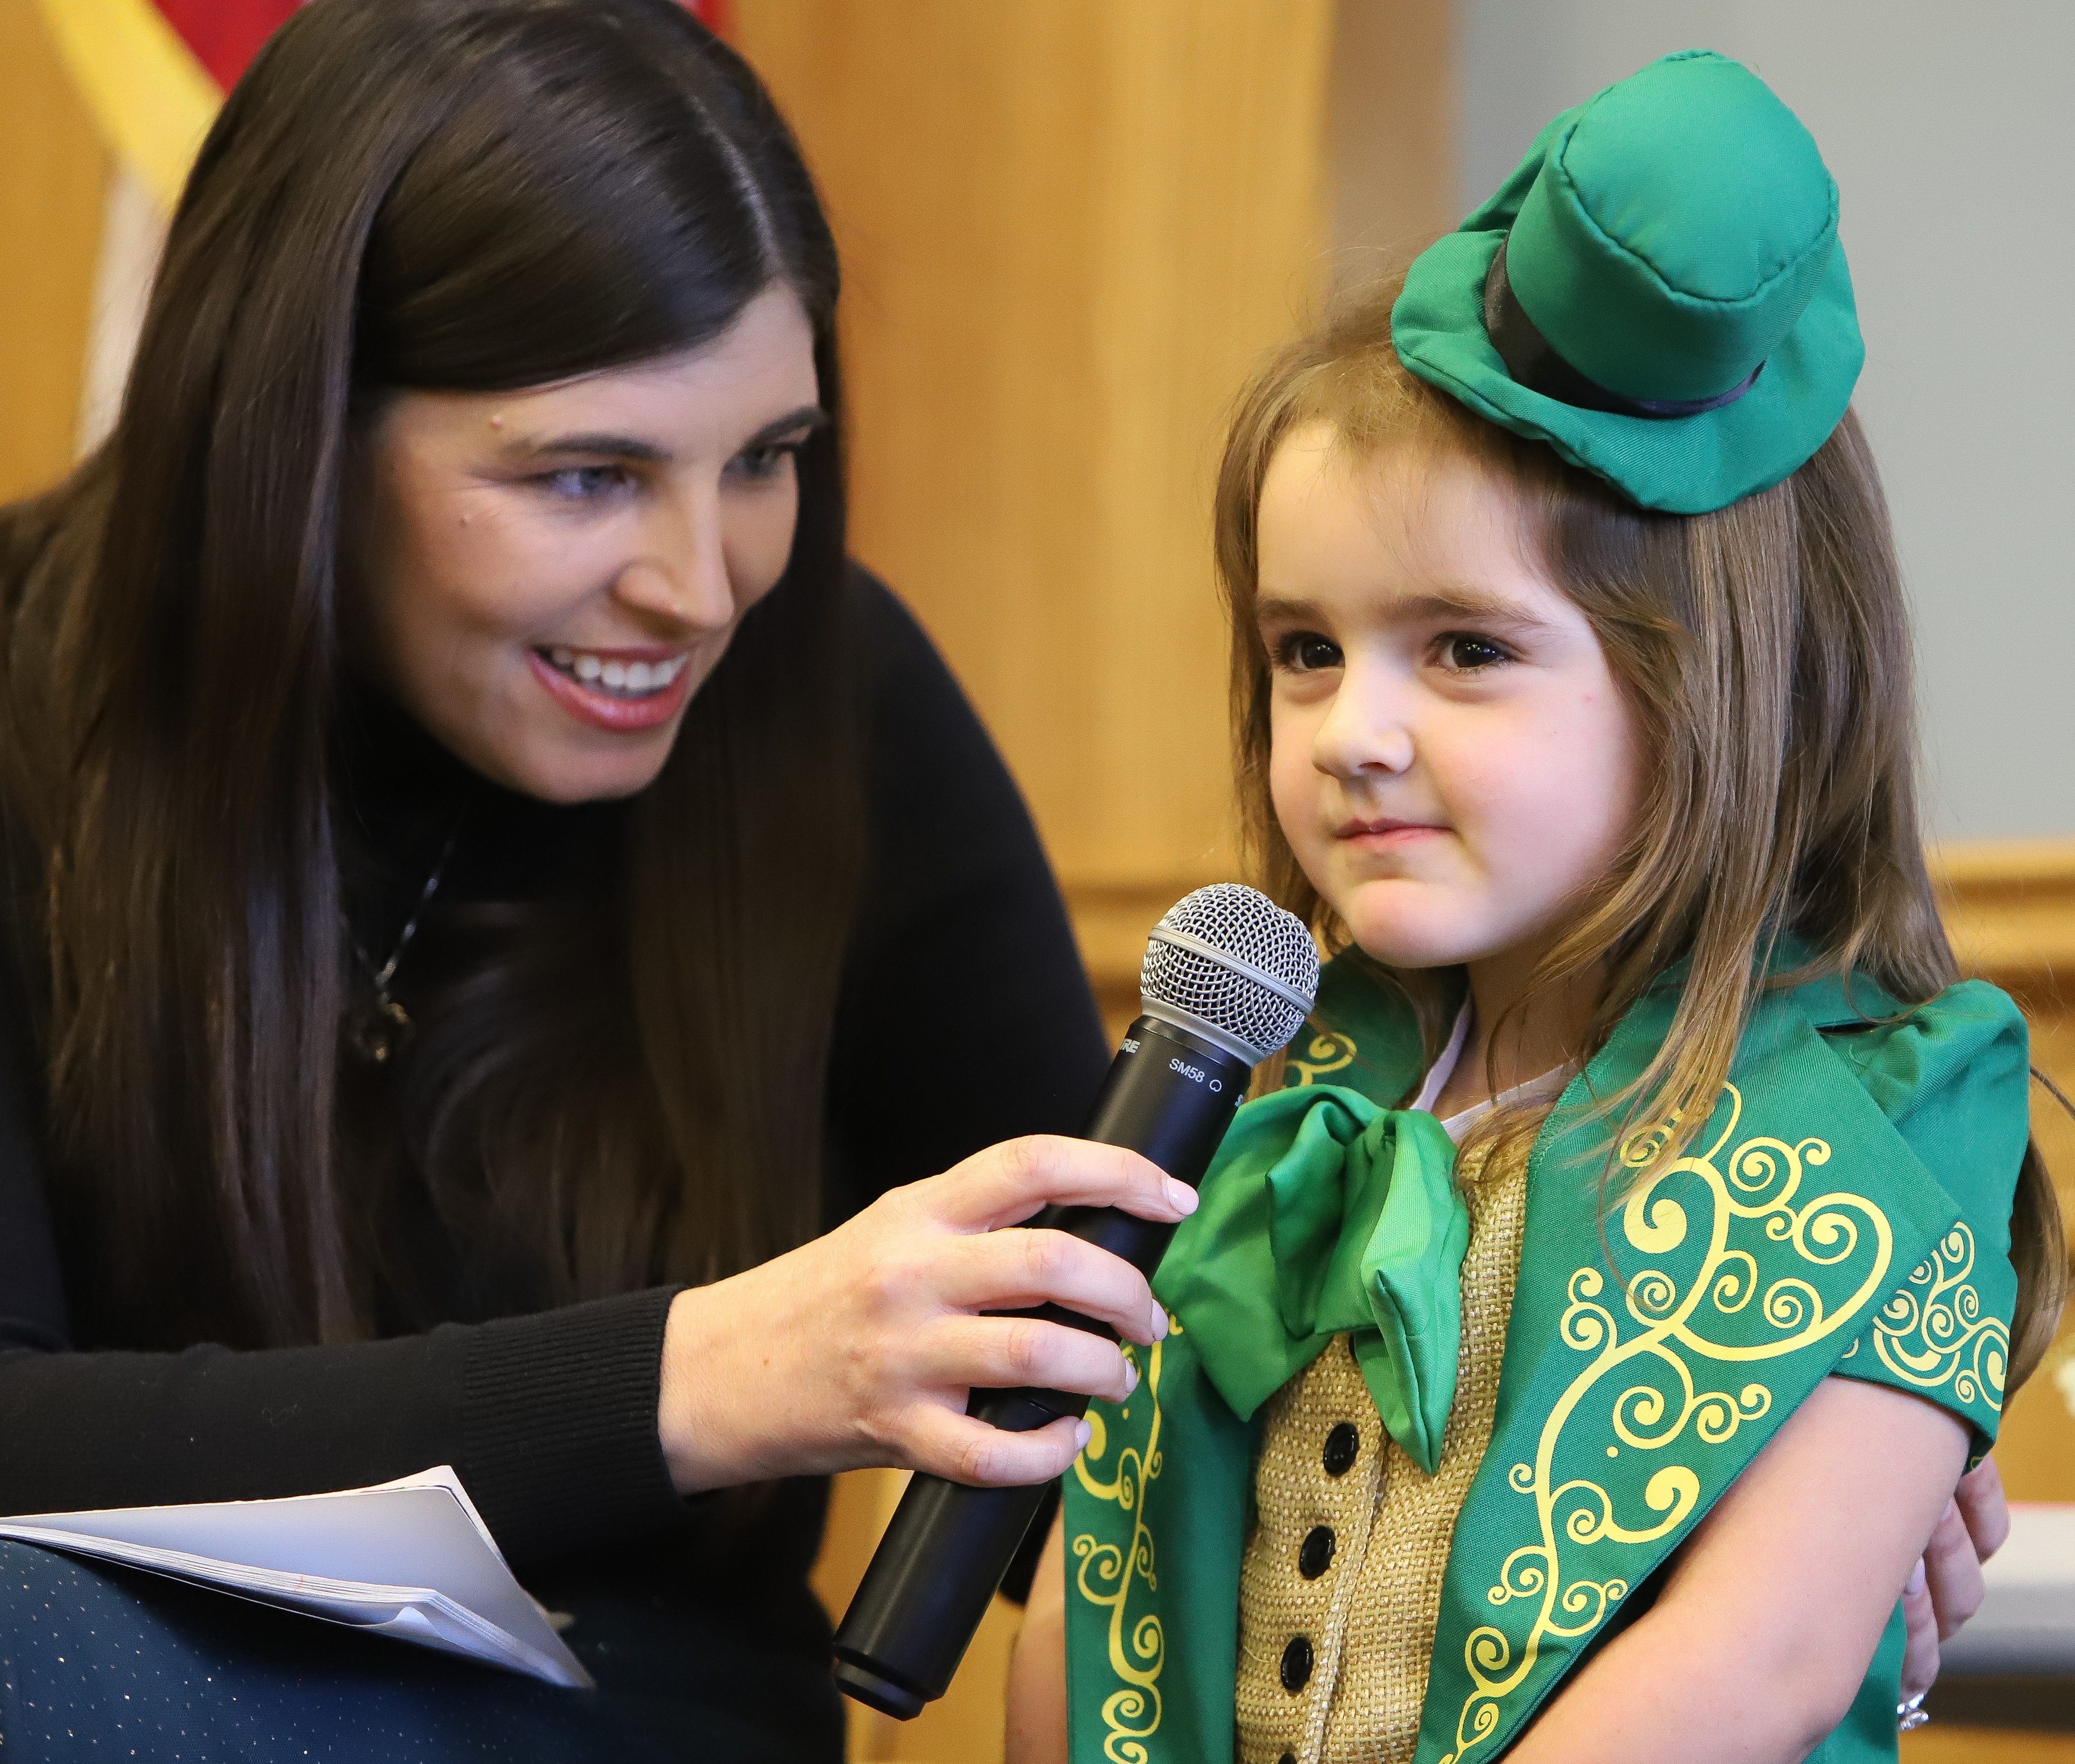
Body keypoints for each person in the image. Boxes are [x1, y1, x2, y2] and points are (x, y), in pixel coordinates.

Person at [0, 2, 1194, 1756]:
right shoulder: (32, 700)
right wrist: (703, 1377)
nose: (705, 588)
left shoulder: (834, 697)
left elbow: (1124, 1457)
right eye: (588, 476)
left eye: (766, 462)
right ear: (298, 432)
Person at [1006, 50, 2063, 1764]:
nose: (1355, 733)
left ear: (1713, 682)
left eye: (1468, 651)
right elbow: (1103, 1595)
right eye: (1305, 652)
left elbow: (1758, 1667)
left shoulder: (1882, 1111)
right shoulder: (1266, 1096)